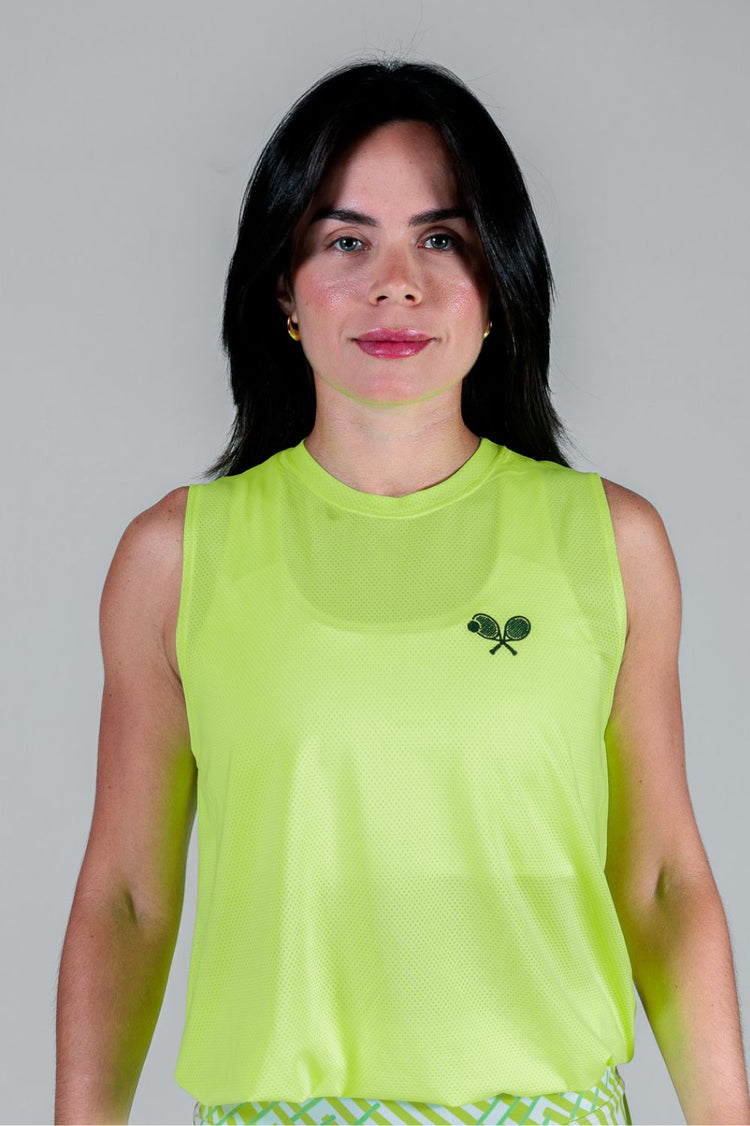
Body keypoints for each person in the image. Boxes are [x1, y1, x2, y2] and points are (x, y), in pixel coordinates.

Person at [54, 58, 750, 1126]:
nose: (396, 284)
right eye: (346, 242)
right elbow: (128, 902)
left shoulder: (610, 543)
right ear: (282, 289)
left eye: (442, 239)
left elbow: (661, 882)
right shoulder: (177, 558)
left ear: (499, 282)